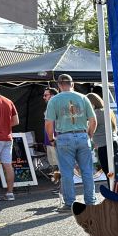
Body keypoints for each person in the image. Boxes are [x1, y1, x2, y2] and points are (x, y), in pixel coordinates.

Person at [44, 74, 97, 212]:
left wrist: (51, 139)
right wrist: (89, 135)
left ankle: (70, 204)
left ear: (59, 85)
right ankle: (90, 201)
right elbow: (93, 121)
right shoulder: (83, 98)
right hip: (82, 136)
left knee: (67, 172)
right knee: (87, 171)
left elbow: (48, 123)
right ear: (72, 84)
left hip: (64, 137)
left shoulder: (54, 100)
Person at [87, 91, 118, 174]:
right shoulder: (108, 111)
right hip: (113, 142)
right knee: (113, 170)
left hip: (105, 145)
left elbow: (90, 129)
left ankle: (112, 187)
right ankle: (114, 186)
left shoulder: (96, 113)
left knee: (108, 171)